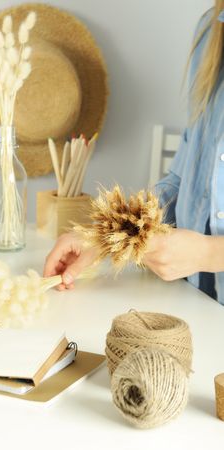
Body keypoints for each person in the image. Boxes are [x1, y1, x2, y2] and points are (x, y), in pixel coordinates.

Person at [43, 2, 224, 304]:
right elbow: (185, 180)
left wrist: (208, 254)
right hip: (200, 304)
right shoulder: (212, 30)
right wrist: (107, 237)